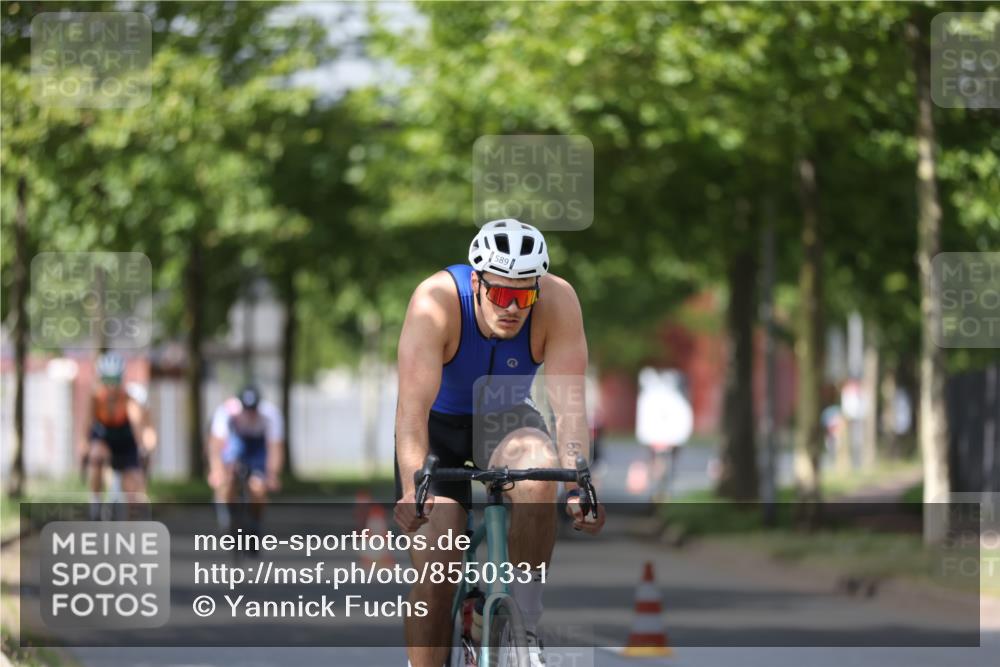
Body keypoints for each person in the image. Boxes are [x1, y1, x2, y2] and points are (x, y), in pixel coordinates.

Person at [393, 219, 606, 667]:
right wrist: (415, 490)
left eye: (524, 295)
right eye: (501, 293)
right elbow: (411, 412)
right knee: (438, 568)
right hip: (439, 427)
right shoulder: (436, 301)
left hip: (506, 418)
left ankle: (523, 630)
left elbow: (568, 408)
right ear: (476, 281)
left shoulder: (559, 301)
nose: (512, 307)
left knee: (538, 469)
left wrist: (578, 485)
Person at [83, 353, 157, 519]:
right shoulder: (95, 399)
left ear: (121, 380)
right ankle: (95, 504)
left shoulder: (129, 401)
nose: (111, 386)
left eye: (115, 380)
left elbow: (141, 429)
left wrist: (145, 448)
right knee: (96, 455)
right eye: (106, 380)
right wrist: (83, 447)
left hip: (126, 444)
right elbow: (85, 427)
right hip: (104, 441)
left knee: (134, 492)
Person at [207, 386, 284, 536]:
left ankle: (255, 523)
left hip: (257, 446)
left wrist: (273, 474)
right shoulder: (226, 412)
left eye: (253, 410)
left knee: (258, 488)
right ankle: (229, 517)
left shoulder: (270, 414)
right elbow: (216, 446)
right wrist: (216, 470)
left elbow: (275, 449)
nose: (250, 414)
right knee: (227, 481)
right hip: (235, 442)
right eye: (247, 409)